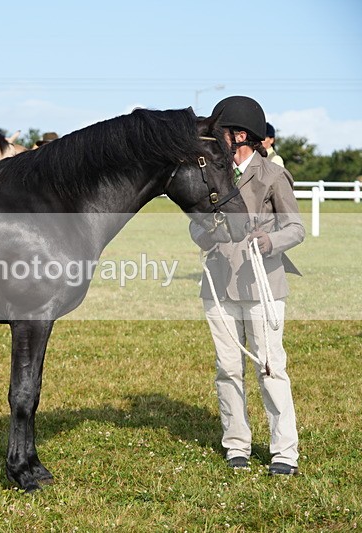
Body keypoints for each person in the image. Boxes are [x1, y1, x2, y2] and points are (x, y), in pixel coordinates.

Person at [189, 96, 305, 476]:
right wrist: (204, 230)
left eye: (220, 132)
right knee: (227, 369)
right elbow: (195, 225)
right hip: (219, 286)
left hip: (262, 285)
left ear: (240, 135)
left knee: (270, 369)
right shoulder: (211, 175)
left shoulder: (272, 176)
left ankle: (283, 451)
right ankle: (236, 443)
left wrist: (271, 242)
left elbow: (296, 228)